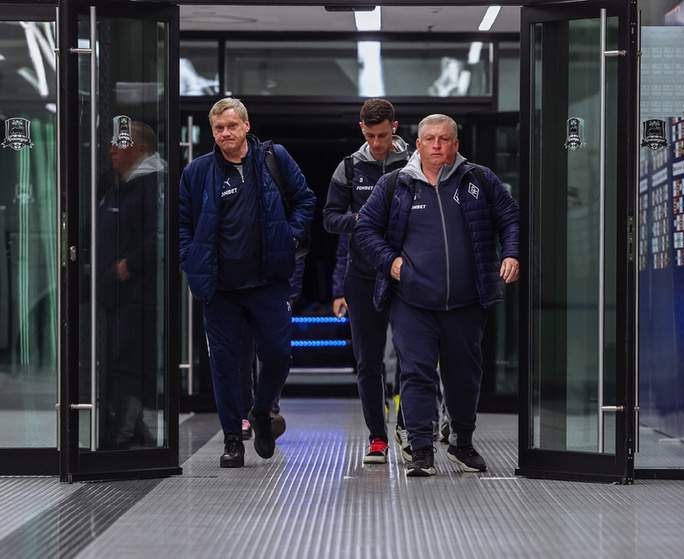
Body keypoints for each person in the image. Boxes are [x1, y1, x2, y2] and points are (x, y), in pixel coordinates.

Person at [354, 114, 519, 477]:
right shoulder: (395, 184)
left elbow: (510, 217)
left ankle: (461, 442)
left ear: (456, 144)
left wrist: (511, 254)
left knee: (464, 376)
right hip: (412, 302)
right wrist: (391, 262)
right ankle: (421, 449)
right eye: (430, 139)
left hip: (466, 302)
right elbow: (365, 230)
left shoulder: (478, 179)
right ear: (418, 144)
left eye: (444, 139)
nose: (437, 145)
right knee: (416, 374)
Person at [179, 98, 315, 468]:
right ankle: (232, 439)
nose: (225, 133)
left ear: (246, 126)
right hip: (220, 289)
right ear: (212, 132)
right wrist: (190, 258)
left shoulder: (273, 159)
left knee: (278, 354)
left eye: (231, 126)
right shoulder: (197, 171)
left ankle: (261, 411)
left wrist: (290, 237)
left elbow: (305, 200)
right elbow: (183, 224)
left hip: (268, 282)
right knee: (224, 365)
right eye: (219, 128)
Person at [323, 99, 410, 464]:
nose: (377, 143)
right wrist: (361, 218)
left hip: (406, 274)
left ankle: (408, 429)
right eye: (371, 135)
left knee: (412, 357)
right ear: (362, 129)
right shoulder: (348, 167)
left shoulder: (413, 163)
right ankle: (377, 438)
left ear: (394, 128)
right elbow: (329, 219)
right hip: (362, 276)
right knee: (368, 362)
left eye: (383, 135)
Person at [99, 120, 164, 450]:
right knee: (118, 361)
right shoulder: (119, 185)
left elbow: (162, 234)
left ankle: (121, 436)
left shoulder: (153, 185)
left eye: (120, 143)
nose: (112, 149)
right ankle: (135, 431)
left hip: (138, 294)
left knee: (129, 363)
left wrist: (130, 265)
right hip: (115, 293)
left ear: (141, 150)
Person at [240, 257, 305, 440]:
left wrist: (292, 290)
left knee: (275, 353)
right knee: (241, 355)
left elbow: (296, 251)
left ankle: (267, 410)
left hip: (273, 286)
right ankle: (244, 413)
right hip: (238, 285)